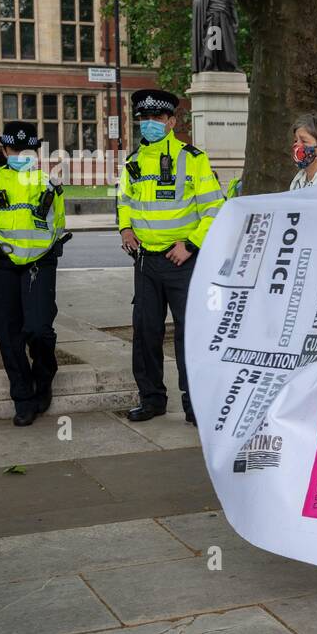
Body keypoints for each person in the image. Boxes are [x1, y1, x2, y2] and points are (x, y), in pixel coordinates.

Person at [118, 89, 224, 425]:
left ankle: (195, 404)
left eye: (156, 118)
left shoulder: (193, 158)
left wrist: (190, 245)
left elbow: (214, 209)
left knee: (188, 335)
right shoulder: (133, 161)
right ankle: (151, 400)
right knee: (145, 332)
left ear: (172, 122)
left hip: (183, 261)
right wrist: (125, 229)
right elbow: (125, 201)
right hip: (146, 261)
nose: (149, 124)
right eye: (144, 119)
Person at [0, 121, 66, 426]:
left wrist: (45, 251)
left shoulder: (48, 185)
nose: (21, 154)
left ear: (35, 151)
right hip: (0, 266)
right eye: (14, 150)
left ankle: (44, 377)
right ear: (4, 149)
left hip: (39, 263)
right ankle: (23, 397)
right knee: (8, 334)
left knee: (39, 329)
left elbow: (58, 224)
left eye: (27, 150)